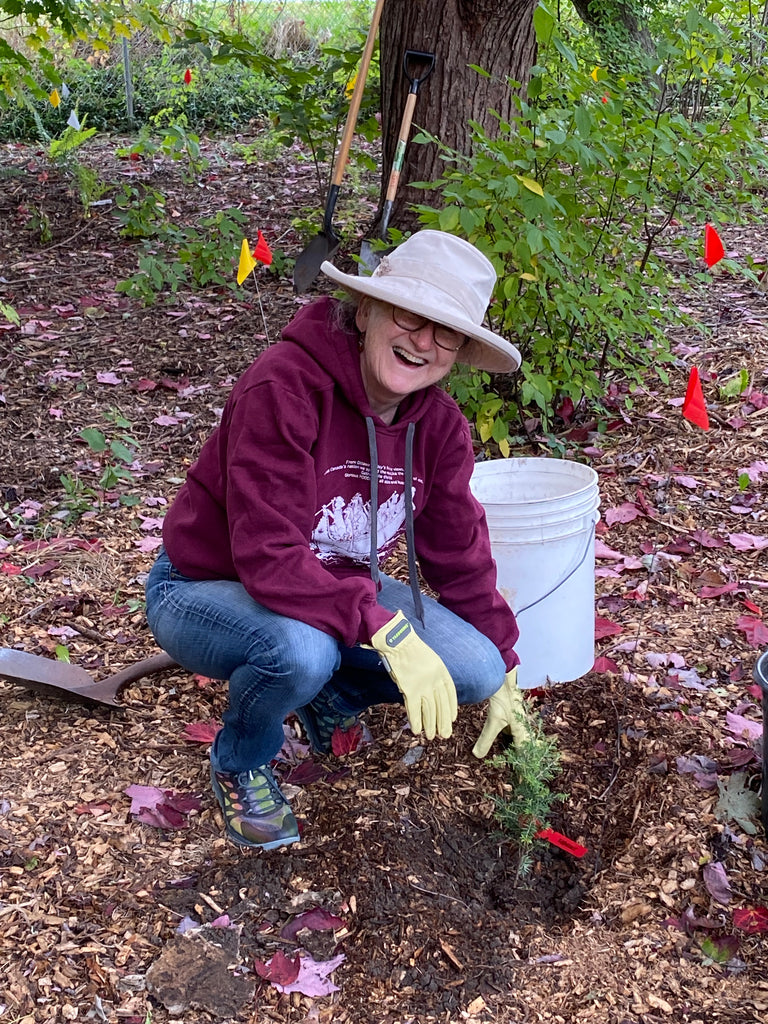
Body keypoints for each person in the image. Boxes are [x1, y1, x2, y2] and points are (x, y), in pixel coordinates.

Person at [145, 229, 533, 852]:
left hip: (334, 591)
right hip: (208, 585)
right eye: (411, 314)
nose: (422, 343)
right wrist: (385, 627)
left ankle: (330, 698)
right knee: (301, 651)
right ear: (368, 309)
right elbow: (267, 553)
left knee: (476, 668)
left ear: (459, 352)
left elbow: (459, 552)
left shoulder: (440, 430)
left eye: (447, 333)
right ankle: (241, 759)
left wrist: (508, 664)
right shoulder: (285, 387)